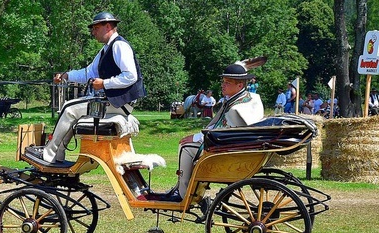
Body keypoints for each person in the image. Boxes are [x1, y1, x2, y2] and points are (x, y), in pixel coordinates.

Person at [24, 12, 145, 165]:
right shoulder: (106, 50)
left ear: (108, 26)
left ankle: (49, 154)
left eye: (95, 28)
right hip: (115, 102)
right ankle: (57, 154)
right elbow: (88, 73)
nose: (93, 32)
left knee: (69, 108)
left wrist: (104, 83)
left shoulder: (119, 45)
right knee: (72, 108)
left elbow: (130, 76)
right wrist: (66, 75)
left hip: (119, 103)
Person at [140, 60, 264, 201]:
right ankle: (184, 188)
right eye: (223, 81)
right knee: (189, 142)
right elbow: (216, 125)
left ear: (240, 85)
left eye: (227, 82)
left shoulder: (236, 108)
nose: (222, 85)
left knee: (185, 146)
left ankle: (181, 193)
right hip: (235, 144)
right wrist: (198, 135)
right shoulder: (246, 98)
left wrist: (196, 138)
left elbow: (221, 131)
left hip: (228, 148)